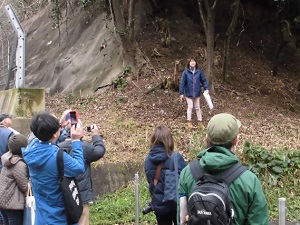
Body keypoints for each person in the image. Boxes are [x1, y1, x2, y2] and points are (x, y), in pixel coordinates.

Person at [178, 113, 270, 225]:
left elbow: (182, 219)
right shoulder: (249, 180)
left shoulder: (187, 173)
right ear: (236, 141)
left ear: (207, 139)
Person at [22, 111, 85, 224]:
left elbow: (45, 138)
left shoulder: (30, 150)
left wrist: (59, 124)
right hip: (60, 218)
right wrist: (76, 141)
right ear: (55, 134)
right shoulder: (57, 156)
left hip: (41, 218)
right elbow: (79, 167)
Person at [58, 121, 106, 225]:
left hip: (64, 193)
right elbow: (100, 151)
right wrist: (96, 135)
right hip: (81, 195)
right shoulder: (85, 147)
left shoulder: (58, 147)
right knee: (82, 221)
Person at [144, 125, 187, 225]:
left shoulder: (148, 161)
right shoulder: (176, 158)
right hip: (177, 205)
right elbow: (186, 179)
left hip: (159, 206)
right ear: (169, 140)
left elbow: (150, 181)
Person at [0, 134, 29, 225]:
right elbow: (24, 186)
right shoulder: (18, 164)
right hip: (13, 204)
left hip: (3, 200)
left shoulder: (8, 158)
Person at [179, 58, 209, 129]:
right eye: (191, 61)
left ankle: (200, 122)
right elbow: (182, 83)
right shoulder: (186, 72)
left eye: (194, 61)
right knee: (190, 106)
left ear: (196, 63)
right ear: (189, 63)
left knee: (197, 107)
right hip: (188, 93)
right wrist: (181, 93)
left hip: (197, 93)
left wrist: (206, 88)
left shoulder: (199, 72)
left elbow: (204, 80)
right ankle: (189, 121)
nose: (192, 63)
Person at [0, 113, 15, 224]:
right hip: (4, 168)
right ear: (5, 121)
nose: (11, 119)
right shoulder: (9, 133)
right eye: (9, 118)